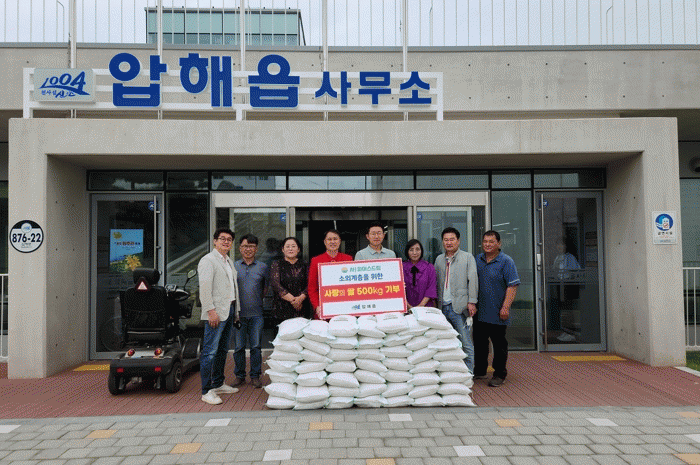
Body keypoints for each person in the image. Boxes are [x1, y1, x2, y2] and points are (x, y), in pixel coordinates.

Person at [197, 227, 241, 405]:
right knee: (209, 352)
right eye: (222, 238)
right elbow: (204, 288)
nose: (226, 242)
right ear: (215, 241)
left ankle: (218, 383)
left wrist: (236, 312)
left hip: (228, 309)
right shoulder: (208, 260)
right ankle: (206, 391)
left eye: (229, 239)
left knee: (222, 350)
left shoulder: (228, 261)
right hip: (215, 312)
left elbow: (232, 288)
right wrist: (210, 310)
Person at [474, 230, 520, 388]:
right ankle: (480, 370)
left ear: (499, 243)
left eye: (491, 242)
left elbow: (512, 286)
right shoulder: (478, 259)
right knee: (480, 343)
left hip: (498, 311)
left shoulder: (506, 261)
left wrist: (505, 307)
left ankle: (500, 373)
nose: (487, 244)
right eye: (485, 241)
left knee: (499, 344)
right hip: (479, 311)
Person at [434, 227, 478, 372]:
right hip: (442, 307)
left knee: (466, 342)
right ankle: (450, 373)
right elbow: (435, 282)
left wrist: (472, 302)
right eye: (446, 240)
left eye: (452, 239)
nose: (449, 242)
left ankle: (469, 373)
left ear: (458, 241)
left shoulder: (467, 257)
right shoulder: (439, 259)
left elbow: (473, 280)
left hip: (459, 307)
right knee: (445, 342)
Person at [232, 234, 269, 389]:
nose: (248, 249)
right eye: (245, 246)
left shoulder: (263, 267)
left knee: (256, 347)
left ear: (256, 249)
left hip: (256, 314)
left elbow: (265, 289)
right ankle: (240, 376)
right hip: (238, 315)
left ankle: (255, 376)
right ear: (240, 248)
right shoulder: (233, 266)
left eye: (251, 246)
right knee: (239, 347)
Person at [308, 229, 353, 319]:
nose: (332, 242)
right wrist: (317, 306)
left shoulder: (348, 259)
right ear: (325, 242)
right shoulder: (316, 260)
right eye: (329, 239)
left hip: (344, 308)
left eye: (335, 239)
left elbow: (352, 285)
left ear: (340, 241)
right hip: (323, 310)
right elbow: (312, 288)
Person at [270, 237, 310, 322]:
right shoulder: (276, 264)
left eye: (293, 246)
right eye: (287, 246)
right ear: (283, 250)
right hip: (281, 309)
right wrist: (294, 301)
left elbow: (310, 284)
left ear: (298, 249)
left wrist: (300, 299)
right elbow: (275, 284)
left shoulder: (305, 264)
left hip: (301, 308)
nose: (290, 249)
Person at [549, 239, 582, 342]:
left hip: (568, 285)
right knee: (562, 308)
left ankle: (571, 333)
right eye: (558, 245)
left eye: (561, 245)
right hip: (560, 285)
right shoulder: (558, 257)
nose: (559, 247)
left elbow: (575, 270)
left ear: (565, 246)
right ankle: (565, 331)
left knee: (568, 309)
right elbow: (555, 270)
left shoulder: (570, 257)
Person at [402, 239, 438, 309]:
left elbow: (431, 288)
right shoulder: (401, 267)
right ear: (407, 251)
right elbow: (398, 289)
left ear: (421, 251)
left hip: (425, 308)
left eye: (417, 249)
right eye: (411, 250)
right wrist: (409, 307)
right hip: (405, 307)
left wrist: (420, 307)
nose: (414, 253)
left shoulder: (429, 267)